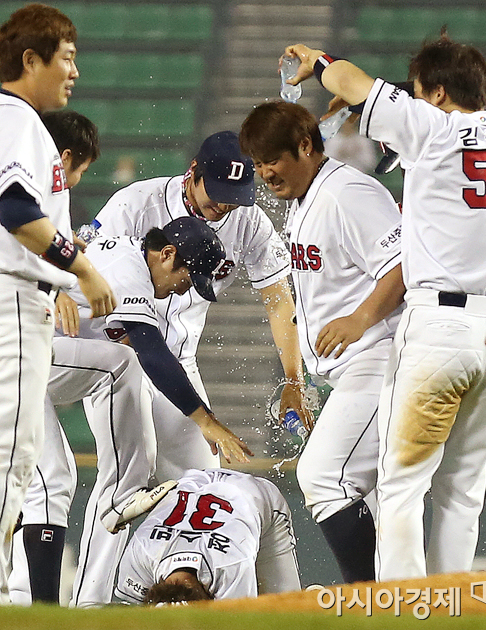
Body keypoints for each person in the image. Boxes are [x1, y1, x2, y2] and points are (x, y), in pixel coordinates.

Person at [282, 35, 486, 581]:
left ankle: (403, 608)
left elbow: (350, 81)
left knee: (402, 483)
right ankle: (456, 608)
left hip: (435, 328)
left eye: (423, 92)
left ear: (439, 93)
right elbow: (448, 98)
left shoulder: (430, 129)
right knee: (463, 490)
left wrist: (318, 63)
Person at [70, 130, 311, 607]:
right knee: (124, 481)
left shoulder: (249, 222)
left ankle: (195, 609)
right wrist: (207, 419)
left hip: (177, 363)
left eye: (235, 197)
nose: (225, 206)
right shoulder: (135, 204)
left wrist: (293, 378)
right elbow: (80, 256)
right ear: (193, 173)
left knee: (203, 494)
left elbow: (279, 299)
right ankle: (90, 608)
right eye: (217, 193)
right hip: (117, 357)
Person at [8, 110, 175, 605]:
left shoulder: (41, 202)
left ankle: (34, 607)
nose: (78, 179)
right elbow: (19, 235)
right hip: (10, 347)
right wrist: (58, 278)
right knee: (118, 365)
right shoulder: (28, 195)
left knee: (49, 478)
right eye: (79, 169)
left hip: (24, 348)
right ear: (63, 159)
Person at [240, 101, 405, 583]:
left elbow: (402, 265)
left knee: (323, 477)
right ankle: (391, 596)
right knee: (372, 497)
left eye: (274, 158)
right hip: (352, 366)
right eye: (258, 162)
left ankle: (364, 597)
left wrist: (360, 318)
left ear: (307, 147)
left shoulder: (346, 192)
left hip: (382, 356)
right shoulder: (306, 195)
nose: (265, 172)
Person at [0, 4, 116, 602]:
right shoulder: (17, 117)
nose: (74, 71)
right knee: (10, 465)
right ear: (30, 59)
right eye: (66, 57)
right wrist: (85, 269)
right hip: (12, 302)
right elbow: (16, 211)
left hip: (21, 298)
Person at [115, 468, 301, 604]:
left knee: (285, 613)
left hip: (257, 495)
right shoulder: (139, 555)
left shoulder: (231, 565)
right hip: (195, 481)